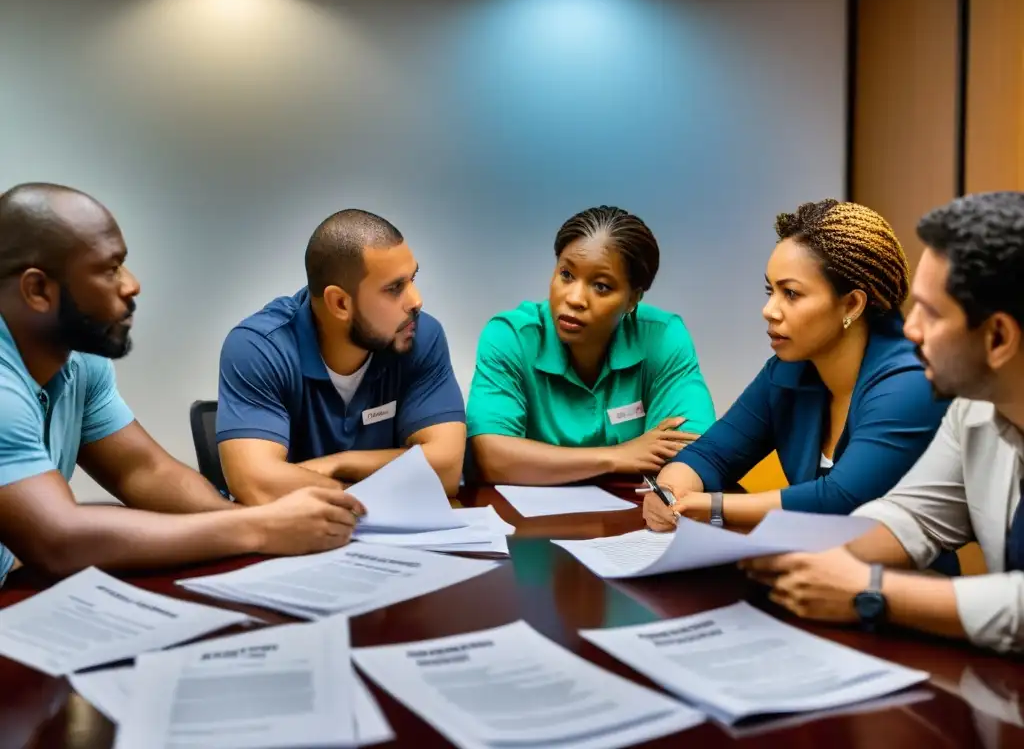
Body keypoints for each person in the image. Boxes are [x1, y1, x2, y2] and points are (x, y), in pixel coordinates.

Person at [0, 183, 366, 585]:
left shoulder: (81, 361)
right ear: (37, 290)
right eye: (110, 268)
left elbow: (144, 472)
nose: (132, 284)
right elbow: (59, 540)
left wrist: (263, 524)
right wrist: (261, 528)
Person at [743, 191, 1024, 654]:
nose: (910, 330)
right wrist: (790, 557)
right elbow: (911, 516)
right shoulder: (973, 408)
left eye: (931, 314)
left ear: (997, 337)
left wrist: (872, 591)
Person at [643, 199, 949, 533]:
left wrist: (713, 507)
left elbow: (839, 499)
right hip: (808, 569)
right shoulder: (788, 371)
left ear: (852, 304)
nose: (769, 310)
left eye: (790, 293)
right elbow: (711, 454)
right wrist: (670, 491)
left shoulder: (909, 382)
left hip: (900, 580)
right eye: (769, 290)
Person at [216, 209, 466, 503]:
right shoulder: (260, 348)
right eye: (395, 288)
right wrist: (357, 495)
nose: (416, 300)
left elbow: (446, 470)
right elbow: (256, 484)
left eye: (412, 278)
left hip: (395, 541)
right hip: (292, 541)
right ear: (340, 303)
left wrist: (337, 463)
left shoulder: (420, 336)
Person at [466, 205, 716, 485]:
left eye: (601, 286)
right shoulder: (510, 337)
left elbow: (693, 448)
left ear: (633, 299)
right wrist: (618, 456)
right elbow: (491, 458)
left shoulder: (662, 337)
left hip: (634, 519)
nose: (574, 298)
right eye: (566, 275)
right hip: (527, 523)